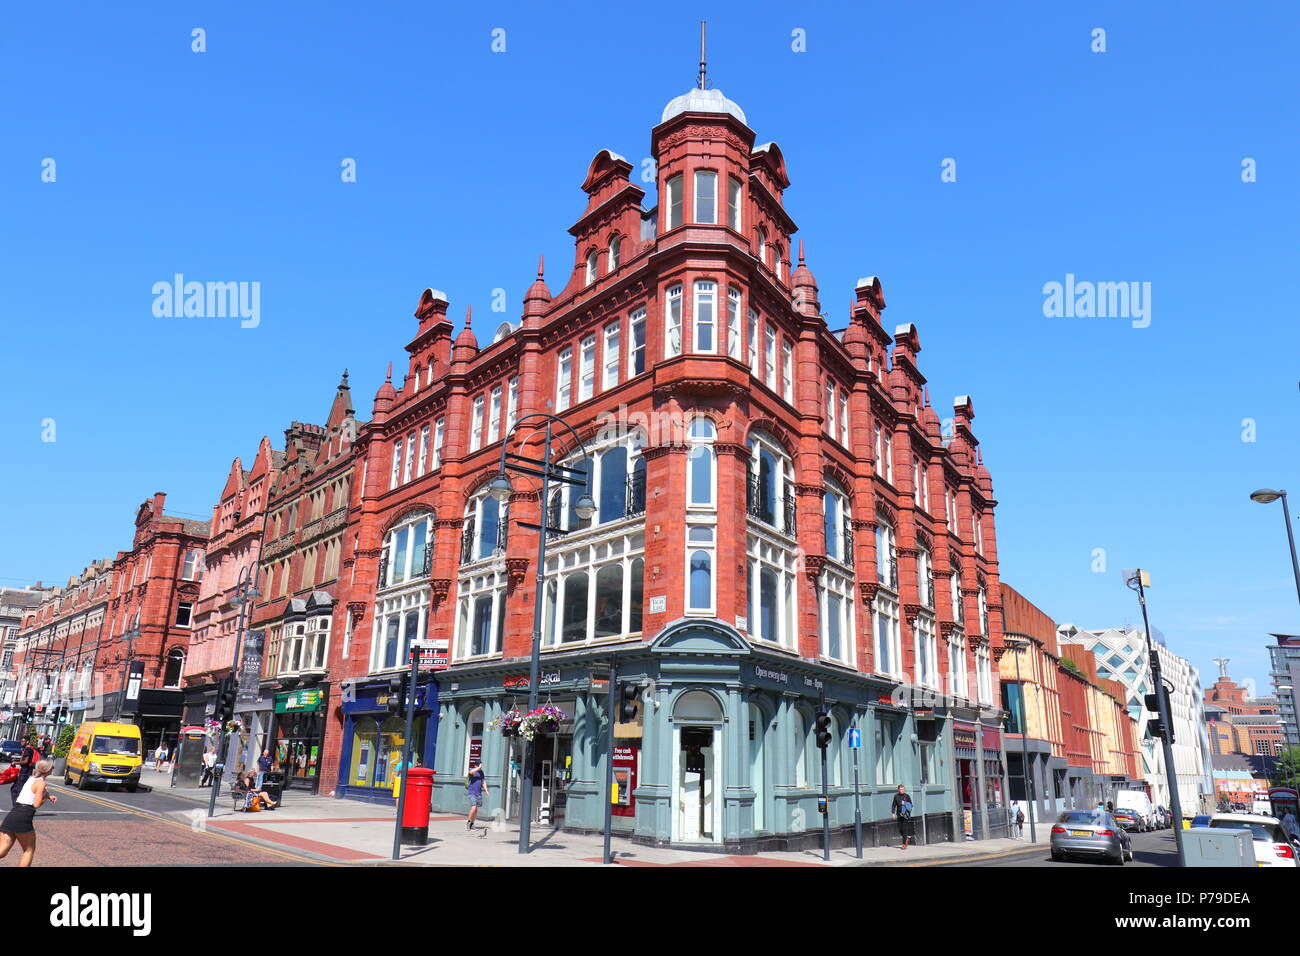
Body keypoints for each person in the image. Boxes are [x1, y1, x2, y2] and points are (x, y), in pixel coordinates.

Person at [0, 758, 56, 867]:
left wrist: (48, 796)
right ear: (48, 770)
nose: (53, 769)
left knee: (2, 850)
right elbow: (36, 804)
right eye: (52, 767)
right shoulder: (41, 783)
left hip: (13, 814)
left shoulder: (31, 779)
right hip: (24, 816)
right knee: (28, 850)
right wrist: (45, 798)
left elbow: (30, 794)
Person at [10, 737, 38, 809]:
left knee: (18, 790)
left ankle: (18, 807)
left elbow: (26, 761)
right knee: (15, 789)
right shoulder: (30, 748)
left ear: (27, 742)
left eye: (23, 741)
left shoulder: (28, 749)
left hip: (24, 773)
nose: (21, 743)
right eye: (21, 741)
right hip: (27, 772)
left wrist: (15, 762)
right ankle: (17, 807)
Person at [466, 761, 488, 831]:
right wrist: (479, 767)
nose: (481, 767)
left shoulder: (481, 772)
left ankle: (472, 823)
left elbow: (483, 782)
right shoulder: (473, 771)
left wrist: (486, 790)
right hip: (472, 792)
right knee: (474, 807)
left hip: (478, 793)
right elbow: (470, 772)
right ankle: (468, 823)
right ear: (476, 766)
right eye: (479, 765)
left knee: (476, 810)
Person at [891, 783, 915, 849]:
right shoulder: (896, 796)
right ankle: (906, 838)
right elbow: (893, 805)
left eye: (903, 789)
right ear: (898, 789)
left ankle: (904, 844)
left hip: (905, 815)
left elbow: (911, 805)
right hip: (899, 814)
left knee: (904, 829)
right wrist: (893, 813)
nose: (902, 790)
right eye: (901, 789)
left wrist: (905, 803)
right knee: (900, 829)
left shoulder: (907, 796)